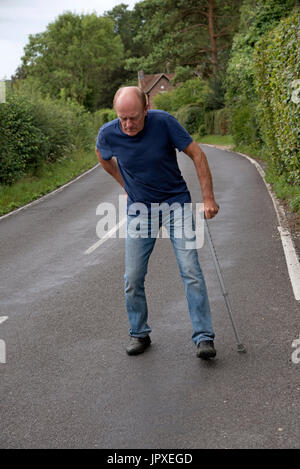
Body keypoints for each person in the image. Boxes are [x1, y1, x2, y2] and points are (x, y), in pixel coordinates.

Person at [95, 86, 219, 359]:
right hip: (140, 210)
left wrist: (208, 198)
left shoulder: (163, 123)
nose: (128, 124)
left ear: (146, 109)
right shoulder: (108, 133)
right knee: (133, 277)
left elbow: (197, 154)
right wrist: (124, 184)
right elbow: (103, 158)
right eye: (122, 118)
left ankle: (203, 337)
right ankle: (139, 333)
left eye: (134, 118)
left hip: (176, 204)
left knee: (190, 270)